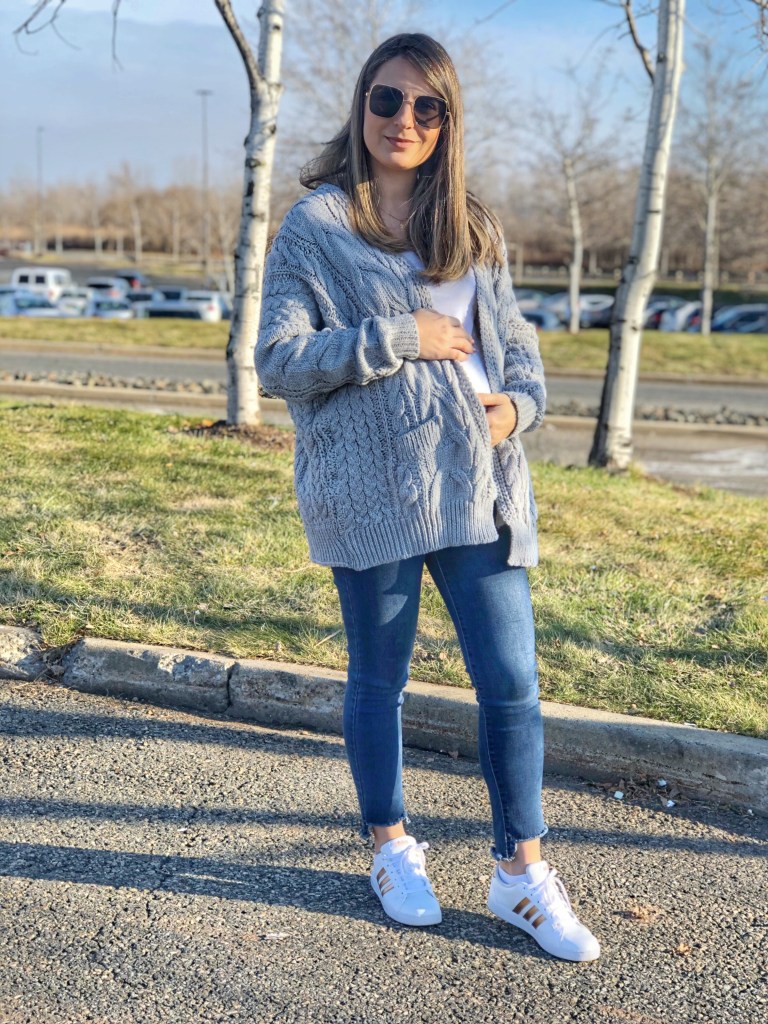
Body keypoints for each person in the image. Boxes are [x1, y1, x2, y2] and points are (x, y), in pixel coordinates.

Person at [256, 32, 600, 963]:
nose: (402, 120)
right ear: (361, 105)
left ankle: (521, 872)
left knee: (513, 682)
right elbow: (278, 362)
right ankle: (391, 847)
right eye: (386, 99)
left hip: (478, 484)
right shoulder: (318, 226)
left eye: (425, 106)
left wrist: (516, 410)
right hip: (372, 491)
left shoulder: (472, 227)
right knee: (381, 679)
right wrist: (398, 335)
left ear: (447, 122)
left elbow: (521, 359)